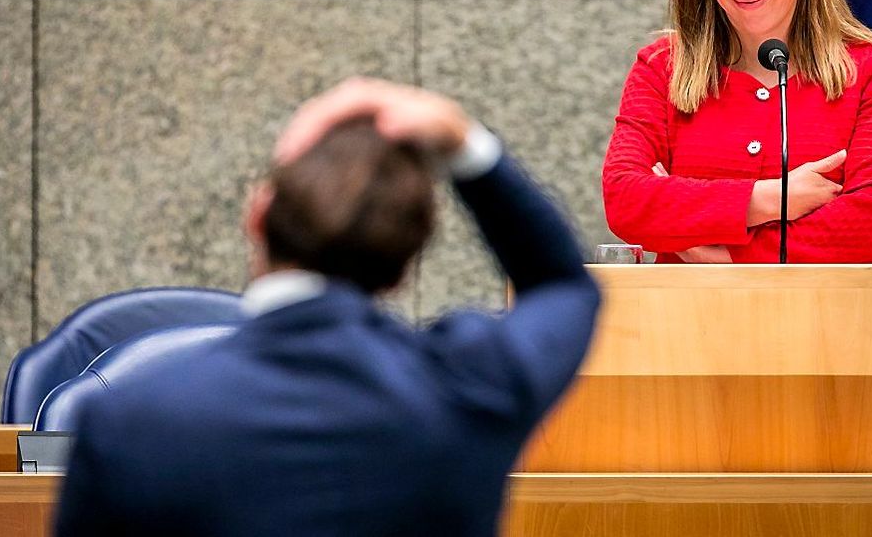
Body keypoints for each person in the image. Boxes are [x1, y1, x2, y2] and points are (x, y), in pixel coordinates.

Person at [55, 78, 601, 537]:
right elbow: (563, 288)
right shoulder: (471, 388)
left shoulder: (131, 418)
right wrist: (466, 147)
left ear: (258, 216)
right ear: (407, 259)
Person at [602, 0, 872, 263]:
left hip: (820, 318)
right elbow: (625, 201)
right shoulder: (661, 66)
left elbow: (871, 223)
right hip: (681, 317)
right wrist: (772, 198)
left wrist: (724, 255)